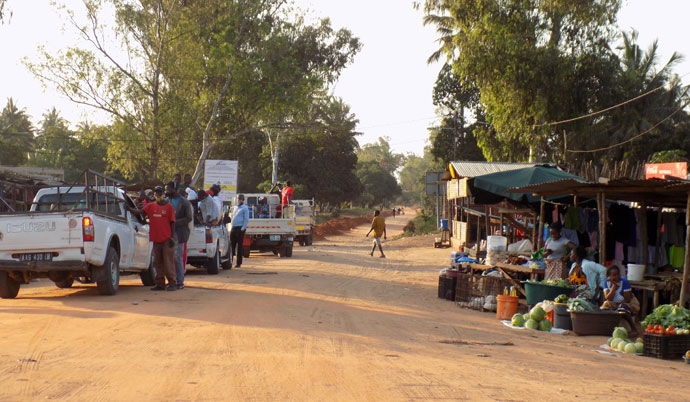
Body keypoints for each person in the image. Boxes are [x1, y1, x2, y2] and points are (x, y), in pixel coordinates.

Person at [128, 186, 177, 291]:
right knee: (157, 263)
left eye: (160, 192)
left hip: (167, 239)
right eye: (156, 192)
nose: (158, 194)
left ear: (163, 193)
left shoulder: (169, 207)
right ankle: (160, 283)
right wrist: (130, 209)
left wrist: (172, 237)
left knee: (168, 262)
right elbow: (140, 212)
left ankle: (172, 283)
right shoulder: (151, 206)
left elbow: (173, 223)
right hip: (156, 239)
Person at [166, 182, 193, 290]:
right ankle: (172, 280)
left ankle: (180, 281)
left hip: (180, 233)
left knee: (178, 257)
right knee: (169, 257)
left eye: (168, 189)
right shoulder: (167, 201)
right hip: (169, 232)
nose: (167, 192)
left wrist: (175, 222)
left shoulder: (185, 202)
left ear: (174, 189)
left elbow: (189, 218)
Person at [230, 194, 250, 268]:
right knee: (231, 245)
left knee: (239, 246)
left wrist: (243, 228)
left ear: (243, 200)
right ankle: (230, 261)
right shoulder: (235, 207)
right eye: (238, 199)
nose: (239, 200)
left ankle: (238, 263)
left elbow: (246, 219)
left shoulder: (245, 208)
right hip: (233, 227)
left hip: (240, 228)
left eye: (240, 199)